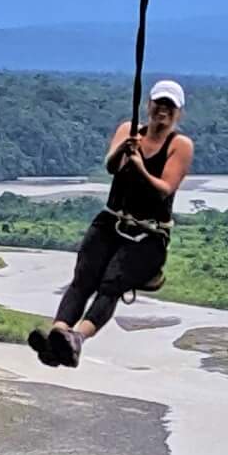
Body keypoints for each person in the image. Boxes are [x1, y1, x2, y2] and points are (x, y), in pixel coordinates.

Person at [30, 79, 195, 367]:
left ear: (178, 113)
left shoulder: (180, 145)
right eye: (159, 104)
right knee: (83, 279)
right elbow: (111, 167)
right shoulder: (128, 130)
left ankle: (77, 338)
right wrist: (124, 151)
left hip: (148, 234)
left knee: (111, 285)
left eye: (170, 107)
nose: (163, 111)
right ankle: (57, 335)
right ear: (149, 105)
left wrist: (140, 165)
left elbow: (164, 189)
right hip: (112, 220)